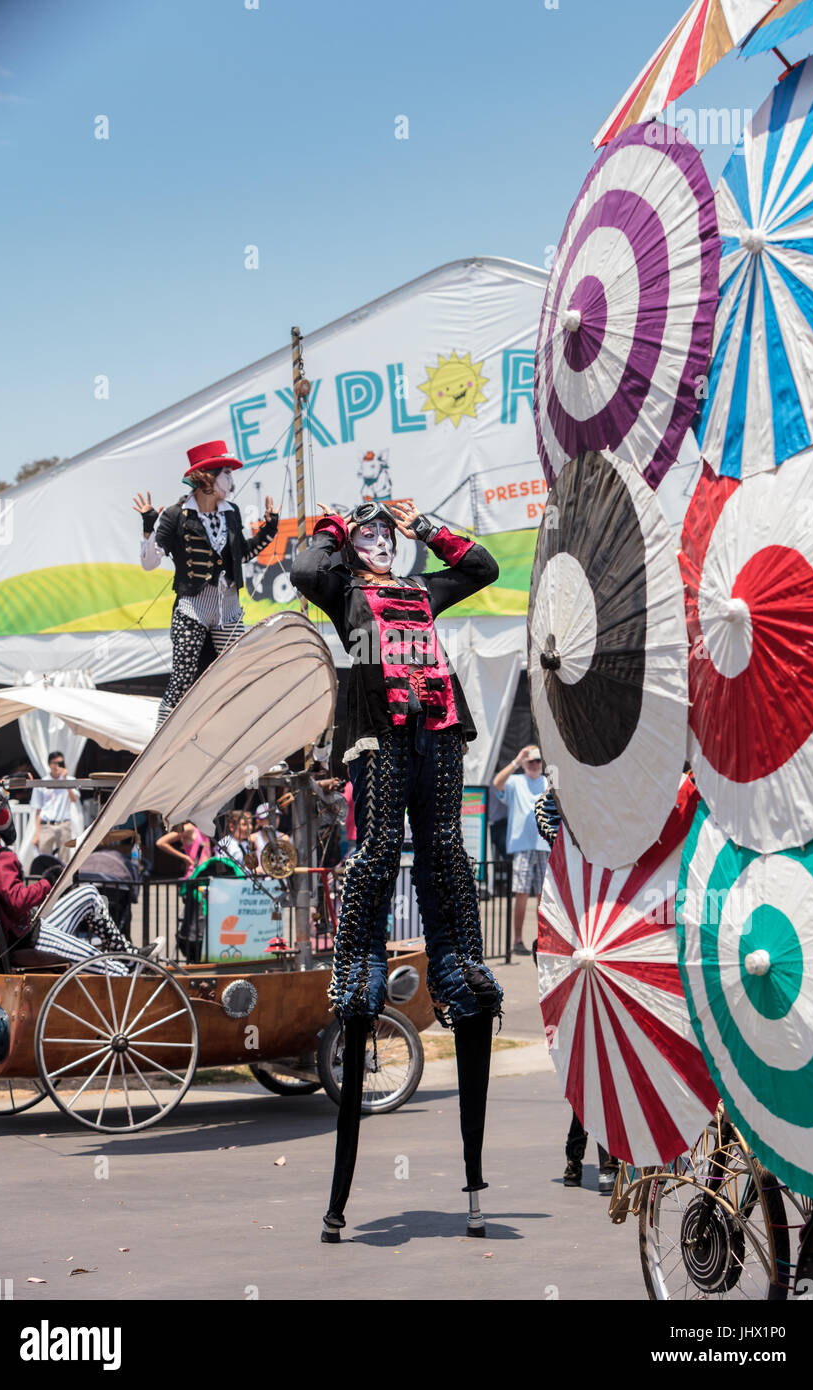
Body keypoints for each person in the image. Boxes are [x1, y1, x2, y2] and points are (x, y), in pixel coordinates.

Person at [292, 497, 503, 1242]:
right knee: (377, 853)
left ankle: (460, 970)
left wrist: (426, 528)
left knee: (444, 851)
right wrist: (327, 528)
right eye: (370, 537)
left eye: (388, 536)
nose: (381, 545)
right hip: (380, 729)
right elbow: (305, 566)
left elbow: (481, 566)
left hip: (437, 730)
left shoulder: (422, 589)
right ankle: (358, 973)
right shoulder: (345, 587)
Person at [132, 439, 279, 729]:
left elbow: (242, 554)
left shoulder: (231, 512)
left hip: (228, 608)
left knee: (236, 674)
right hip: (193, 609)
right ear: (208, 477)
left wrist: (270, 528)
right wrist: (149, 526)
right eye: (227, 473)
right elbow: (150, 563)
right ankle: (162, 738)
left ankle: (228, 734)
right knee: (183, 678)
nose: (232, 480)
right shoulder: (176, 515)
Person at [0, 784, 160, 975]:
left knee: (89, 894)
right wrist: (47, 883)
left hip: (23, 931)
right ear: (2, 818)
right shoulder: (0, 857)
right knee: (95, 958)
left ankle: (125, 954)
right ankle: (127, 972)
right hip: (27, 938)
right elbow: (17, 899)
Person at [492, 745, 557, 955]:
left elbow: (564, 788)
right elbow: (496, 783)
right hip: (523, 846)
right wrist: (517, 761)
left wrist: (550, 760)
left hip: (545, 845)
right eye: (532, 761)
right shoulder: (516, 781)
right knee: (521, 893)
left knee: (543, 896)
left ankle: (545, 939)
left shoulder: (548, 780)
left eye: (538, 761)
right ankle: (518, 940)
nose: (535, 764)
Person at [30, 751, 79, 858]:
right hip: (46, 825)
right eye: (54, 763)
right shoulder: (42, 782)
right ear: (49, 764)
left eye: (60, 763)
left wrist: (65, 780)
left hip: (63, 824)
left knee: (64, 860)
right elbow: (38, 810)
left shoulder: (70, 780)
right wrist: (37, 834)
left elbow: (74, 799)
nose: (57, 766)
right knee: (44, 858)